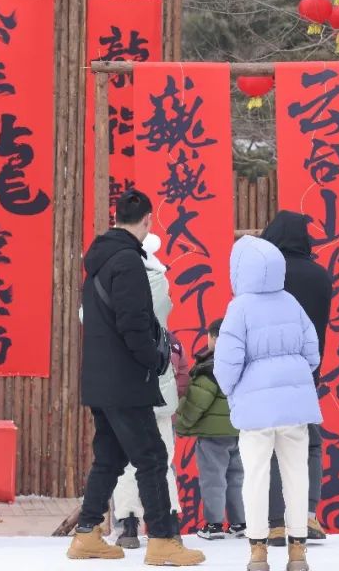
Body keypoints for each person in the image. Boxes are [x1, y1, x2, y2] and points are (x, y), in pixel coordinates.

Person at [69, 189, 205, 566]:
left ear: (116, 218)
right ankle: (162, 540)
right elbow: (134, 324)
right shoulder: (129, 261)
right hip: (127, 381)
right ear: (147, 220)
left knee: (110, 457)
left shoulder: (99, 259)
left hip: (101, 379)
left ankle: (87, 533)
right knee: (152, 457)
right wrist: (155, 360)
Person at [214, 235, 320, 571]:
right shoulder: (291, 303)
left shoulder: (239, 307)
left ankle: (258, 552)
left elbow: (227, 362)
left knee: (256, 477)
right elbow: (312, 354)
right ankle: (298, 551)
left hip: (255, 410)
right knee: (297, 475)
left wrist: (234, 391)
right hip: (295, 407)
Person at [111, 232, 190, 550]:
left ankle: (129, 524)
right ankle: (170, 523)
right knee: (163, 459)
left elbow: (88, 316)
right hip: (159, 386)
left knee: (127, 462)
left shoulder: (113, 281)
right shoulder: (160, 282)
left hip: (124, 386)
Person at [260, 211, 332, 544]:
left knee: (272, 445)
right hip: (305, 372)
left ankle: (276, 522)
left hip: (265, 373)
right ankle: (307, 515)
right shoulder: (320, 276)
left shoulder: (265, 273)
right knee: (309, 443)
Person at [176, 318, 245, 540]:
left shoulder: (211, 368)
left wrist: (182, 425)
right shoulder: (243, 363)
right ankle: (240, 523)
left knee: (213, 479)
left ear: (214, 338)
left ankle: (214, 525)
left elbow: (197, 402)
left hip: (213, 436)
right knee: (237, 478)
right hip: (240, 431)